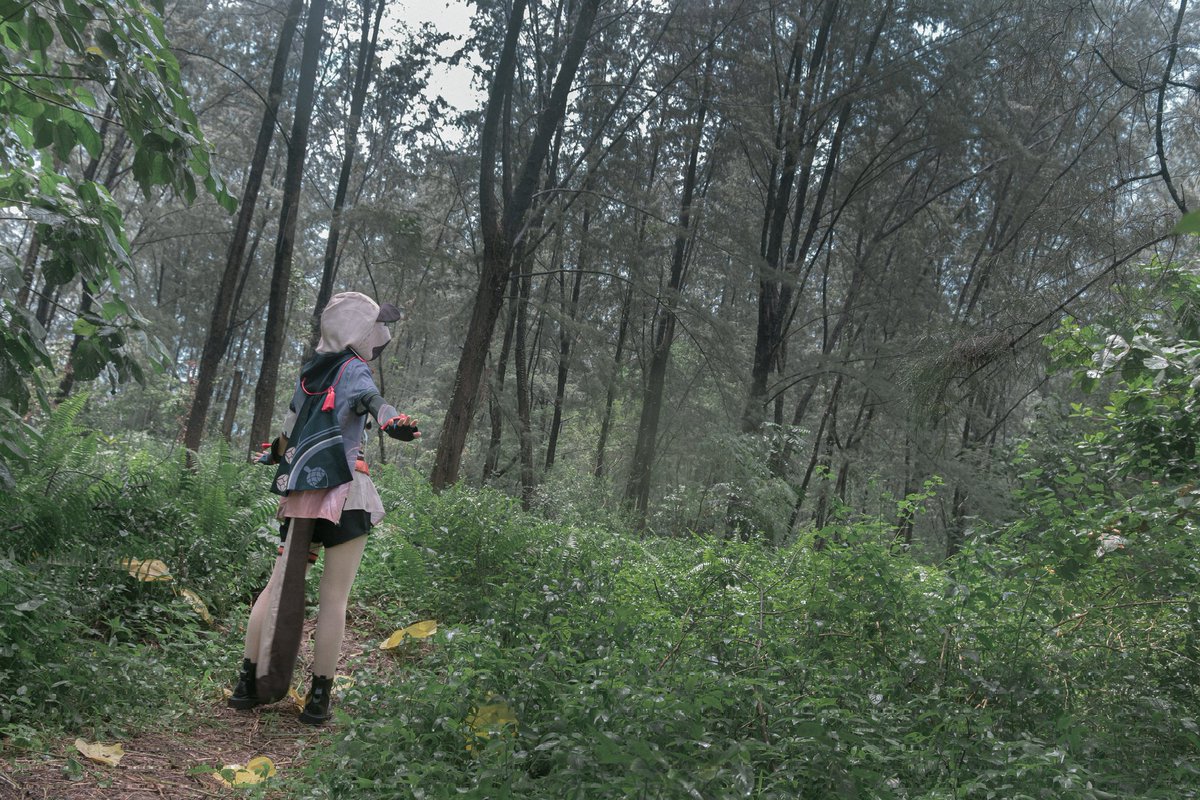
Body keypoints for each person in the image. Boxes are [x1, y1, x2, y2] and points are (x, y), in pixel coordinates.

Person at [228, 291, 419, 724]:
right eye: (375, 326)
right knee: (334, 598)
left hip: (301, 495)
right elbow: (372, 402)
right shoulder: (355, 369)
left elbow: (288, 432)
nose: (381, 335)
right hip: (347, 492)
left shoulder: (309, 374)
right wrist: (393, 422)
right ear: (358, 330)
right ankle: (318, 701)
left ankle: (246, 686)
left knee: (276, 587)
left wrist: (271, 455)